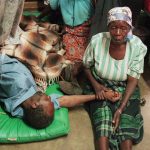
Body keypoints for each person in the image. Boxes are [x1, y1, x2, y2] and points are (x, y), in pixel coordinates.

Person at [83, 7, 147, 150]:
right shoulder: (97, 41)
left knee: (125, 122)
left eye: (123, 28)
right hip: (101, 84)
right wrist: (96, 86)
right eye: (113, 27)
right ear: (108, 27)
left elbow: (132, 80)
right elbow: (86, 66)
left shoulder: (137, 47)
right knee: (103, 120)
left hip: (126, 87)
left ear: (130, 27)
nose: (118, 33)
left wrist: (120, 108)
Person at [0, 54, 121, 129]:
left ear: (35, 105)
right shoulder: (27, 111)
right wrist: (99, 95)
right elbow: (64, 100)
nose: (48, 97)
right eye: (49, 99)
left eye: (47, 99)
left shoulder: (18, 82)